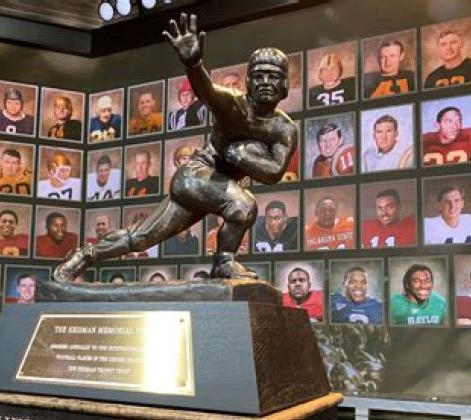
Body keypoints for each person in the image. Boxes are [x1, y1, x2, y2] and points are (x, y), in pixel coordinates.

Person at [54, 14, 297, 281]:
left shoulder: (284, 129)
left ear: (285, 84)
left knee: (142, 237)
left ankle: (84, 255)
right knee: (243, 204)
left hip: (219, 187)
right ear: (248, 82)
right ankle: (224, 261)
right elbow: (207, 92)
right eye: (259, 76)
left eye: (273, 77)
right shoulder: (234, 105)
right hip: (197, 176)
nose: (265, 83)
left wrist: (240, 156)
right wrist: (193, 64)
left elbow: (273, 172)